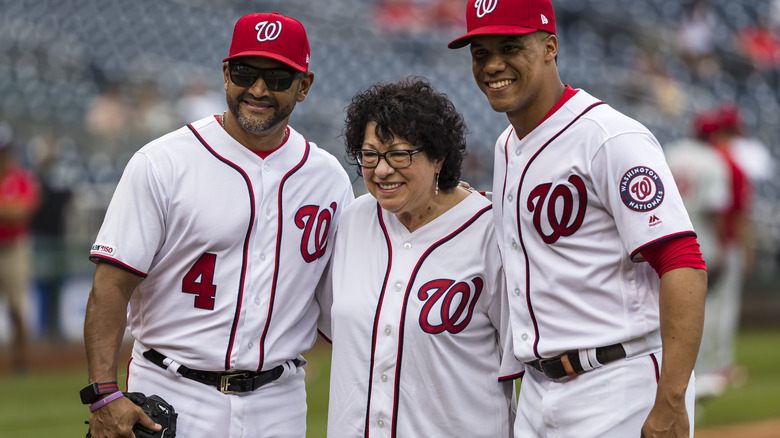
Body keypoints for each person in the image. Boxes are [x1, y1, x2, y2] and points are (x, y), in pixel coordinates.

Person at [82, 12, 354, 438]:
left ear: (305, 86)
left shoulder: (328, 177)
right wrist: (103, 394)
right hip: (171, 391)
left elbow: (342, 305)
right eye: (246, 72)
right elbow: (110, 285)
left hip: (279, 400)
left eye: (278, 76)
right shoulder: (163, 162)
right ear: (226, 74)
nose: (259, 89)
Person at [448, 1, 708, 437]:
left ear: (550, 46)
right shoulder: (506, 145)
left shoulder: (609, 138)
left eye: (510, 47)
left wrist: (671, 397)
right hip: (537, 389)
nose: (493, 65)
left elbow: (682, 261)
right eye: (480, 53)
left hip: (617, 379)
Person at [319, 77, 520, 437]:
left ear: (438, 156)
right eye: (369, 154)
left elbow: (527, 356)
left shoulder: (491, 232)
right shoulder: (352, 221)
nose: (381, 169)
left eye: (399, 154)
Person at [0, 122, 40, 374]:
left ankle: (22, 361)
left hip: (14, 247)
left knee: (17, 307)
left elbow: (22, 212)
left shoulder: (22, 178)